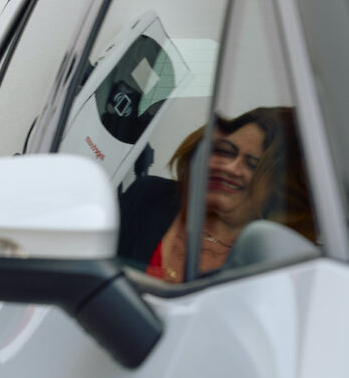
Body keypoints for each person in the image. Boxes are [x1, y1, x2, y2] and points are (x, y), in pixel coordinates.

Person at [117, 106, 314, 283]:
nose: (230, 168)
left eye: (253, 164)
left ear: (283, 187)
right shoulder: (149, 195)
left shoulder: (282, 260)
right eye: (227, 152)